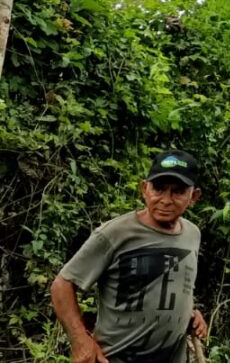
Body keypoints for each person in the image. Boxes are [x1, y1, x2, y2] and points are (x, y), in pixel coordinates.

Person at [51, 150, 206, 363]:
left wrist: (187, 312)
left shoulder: (192, 234)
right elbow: (62, 285)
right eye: (159, 189)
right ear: (145, 189)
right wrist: (81, 341)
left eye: (177, 192)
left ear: (193, 197)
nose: (166, 200)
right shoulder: (115, 234)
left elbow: (174, 283)